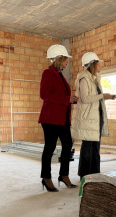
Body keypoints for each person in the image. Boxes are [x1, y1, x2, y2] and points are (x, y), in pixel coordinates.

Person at [38, 44, 78, 192]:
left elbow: (62, 96)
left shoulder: (60, 75)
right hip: (50, 119)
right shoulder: (48, 73)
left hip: (62, 119)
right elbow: (44, 95)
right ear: (60, 59)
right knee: (50, 148)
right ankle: (46, 177)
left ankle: (64, 175)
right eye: (66, 59)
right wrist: (65, 99)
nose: (67, 62)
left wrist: (71, 99)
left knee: (67, 146)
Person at [71, 52, 115, 179]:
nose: (100, 65)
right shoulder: (84, 79)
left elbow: (95, 99)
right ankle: (84, 175)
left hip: (96, 118)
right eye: (98, 62)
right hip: (88, 119)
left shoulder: (95, 79)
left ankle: (95, 174)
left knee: (95, 148)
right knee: (88, 149)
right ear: (93, 64)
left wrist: (107, 97)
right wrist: (103, 96)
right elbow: (85, 98)